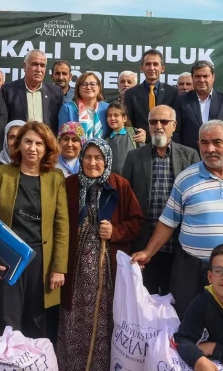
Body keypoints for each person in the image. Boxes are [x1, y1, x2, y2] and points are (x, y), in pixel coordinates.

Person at [131, 120, 223, 317]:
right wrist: (148, 252)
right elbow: (168, 222)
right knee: (187, 325)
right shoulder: (186, 178)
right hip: (192, 270)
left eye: (217, 142)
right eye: (204, 142)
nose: (210, 149)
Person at [57, 139, 144, 371]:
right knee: (74, 318)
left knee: (104, 320)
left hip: (107, 274)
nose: (93, 162)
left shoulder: (119, 185)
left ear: (107, 160)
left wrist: (115, 232)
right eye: (87, 157)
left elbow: (137, 221)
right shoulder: (70, 184)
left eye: (98, 158)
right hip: (75, 273)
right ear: (81, 159)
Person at [0, 121, 69, 338]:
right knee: (9, 323)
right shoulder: (2, 173)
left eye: (39, 143)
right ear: (18, 145)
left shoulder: (55, 178)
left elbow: (61, 225)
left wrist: (59, 267)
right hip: (7, 260)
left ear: (47, 148)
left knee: (37, 323)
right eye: (27, 142)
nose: (32, 148)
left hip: (41, 262)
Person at [122, 105, 200, 295]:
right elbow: (125, 199)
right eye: (153, 122)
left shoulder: (189, 155)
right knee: (144, 300)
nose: (158, 126)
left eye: (164, 122)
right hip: (144, 243)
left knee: (176, 299)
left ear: (174, 125)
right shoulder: (134, 157)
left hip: (179, 245)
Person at [174, 60, 223, 152]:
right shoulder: (181, 101)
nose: (201, 80)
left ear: (213, 77)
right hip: (188, 156)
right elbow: (176, 132)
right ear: (192, 78)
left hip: (219, 155)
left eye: (206, 76)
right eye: (197, 76)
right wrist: (180, 154)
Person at [1, 49, 63, 134]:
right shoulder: (8, 90)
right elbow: (3, 122)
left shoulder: (56, 92)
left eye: (42, 65)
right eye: (34, 64)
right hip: (19, 144)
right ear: (24, 66)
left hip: (47, 144)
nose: (38, 69)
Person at [123, 49, 179, 141]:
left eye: (155, 64)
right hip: (140, 145)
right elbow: (128, 123)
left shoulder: (172, 92)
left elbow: (176, 123)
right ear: (141, 68)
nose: (151, 68)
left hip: (165, 144)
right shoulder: (131, 93)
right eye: (148, 64)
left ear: (162, 69)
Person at [59, 72, 110, 140]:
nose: (88, 87)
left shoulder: (107, 108)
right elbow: (62, 137)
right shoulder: (68, 109)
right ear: (78, 89)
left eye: (93, 84)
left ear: (99, 88)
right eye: (84, 84)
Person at [105, 101, 138, 175]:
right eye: (109, 115)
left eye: (116, 115)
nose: (112, 118)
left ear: (124, 118)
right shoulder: (106, 140)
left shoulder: (135, 134)